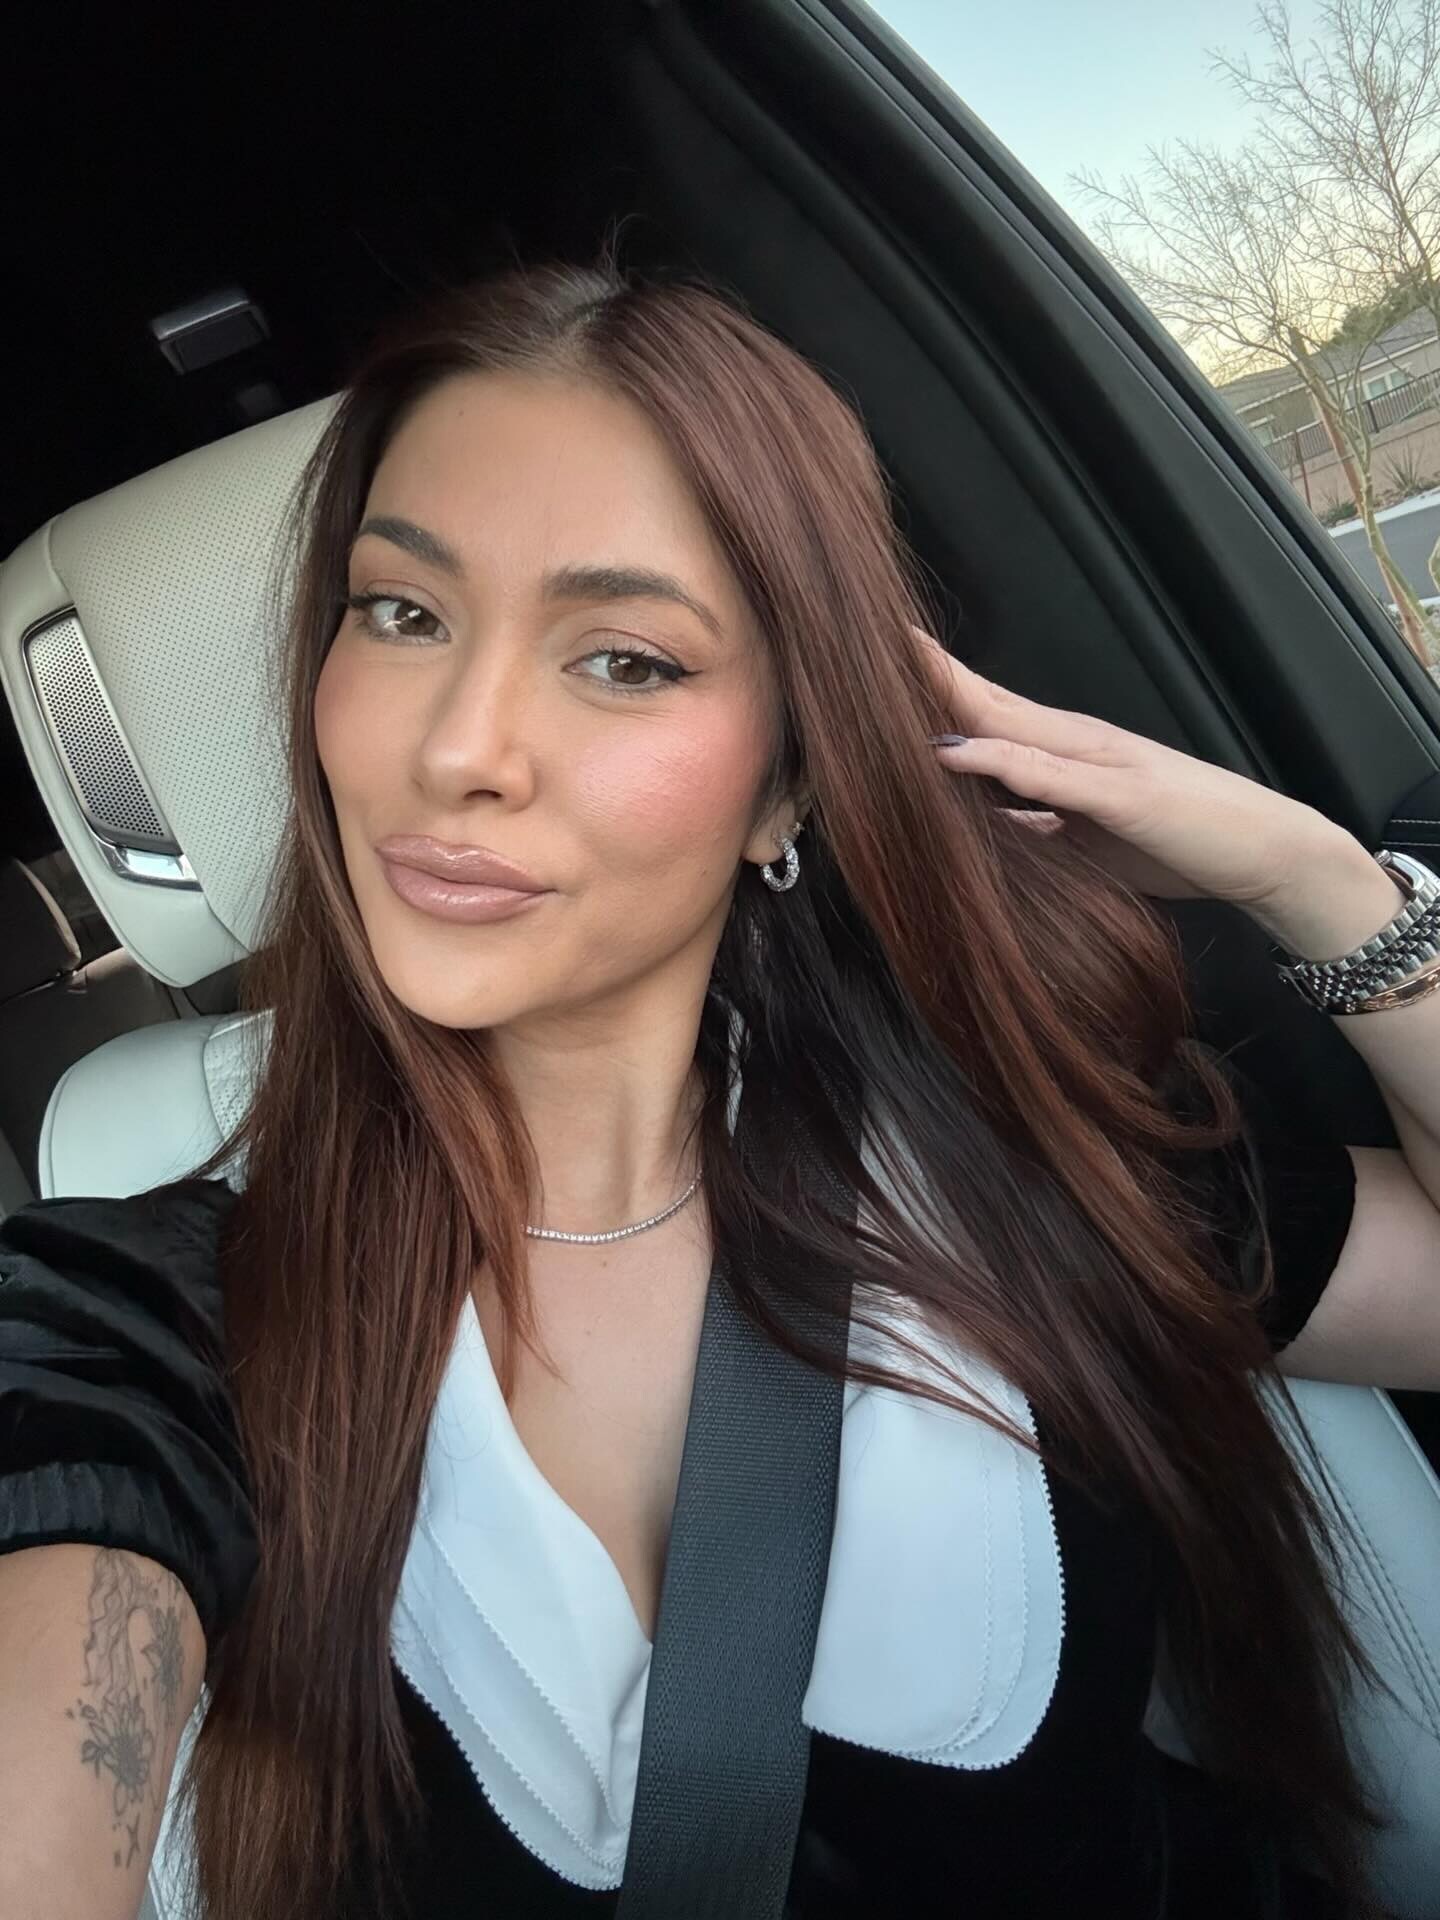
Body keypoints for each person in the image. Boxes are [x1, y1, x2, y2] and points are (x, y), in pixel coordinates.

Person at [2, 253, 1439, 1920]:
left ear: (786, 789)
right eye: (402, 614)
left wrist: (1314, 880)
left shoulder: (1005, 1155)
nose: (456, 748)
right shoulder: (141, 1325)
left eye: (625, 658)